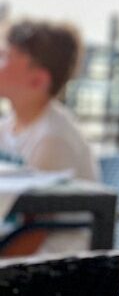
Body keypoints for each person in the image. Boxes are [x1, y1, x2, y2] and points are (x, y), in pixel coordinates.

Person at [0, 19, 99, 254]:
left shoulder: (53, 138)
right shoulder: (8, 126)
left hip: (55, 258)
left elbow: (35, 232)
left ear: (38, 80)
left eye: (5, 57)